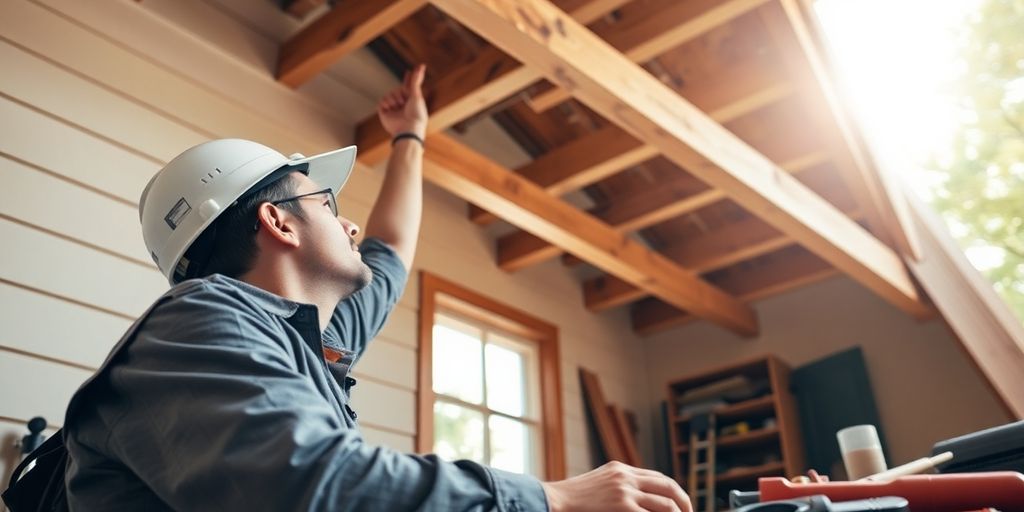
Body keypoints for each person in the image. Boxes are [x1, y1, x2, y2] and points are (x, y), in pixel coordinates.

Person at [62, 64, 691, 512]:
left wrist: (409, 137)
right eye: (327, 204)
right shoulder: (197, 323)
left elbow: (390, 251)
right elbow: (316, 485)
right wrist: (551, 499)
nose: (351, 225)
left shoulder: (306, 339)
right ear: (278, 222)